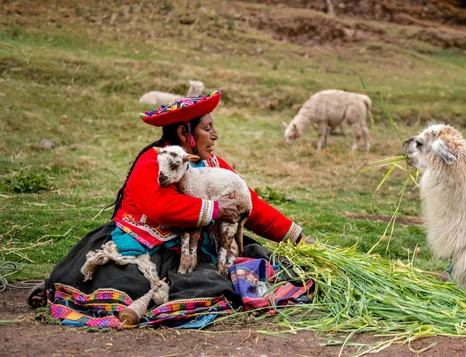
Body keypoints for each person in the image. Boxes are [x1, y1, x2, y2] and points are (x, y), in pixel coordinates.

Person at [29, 90, 312, 327]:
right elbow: (161, 207)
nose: (215, 135)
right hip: (148, 248)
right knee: (156, 285)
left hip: (196, 247)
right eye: (207, 128)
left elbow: (251, 205)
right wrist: (214, 209)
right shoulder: (153, 163)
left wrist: (298, 238)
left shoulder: (213, 166)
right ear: (184, 132)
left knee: (257, 265)